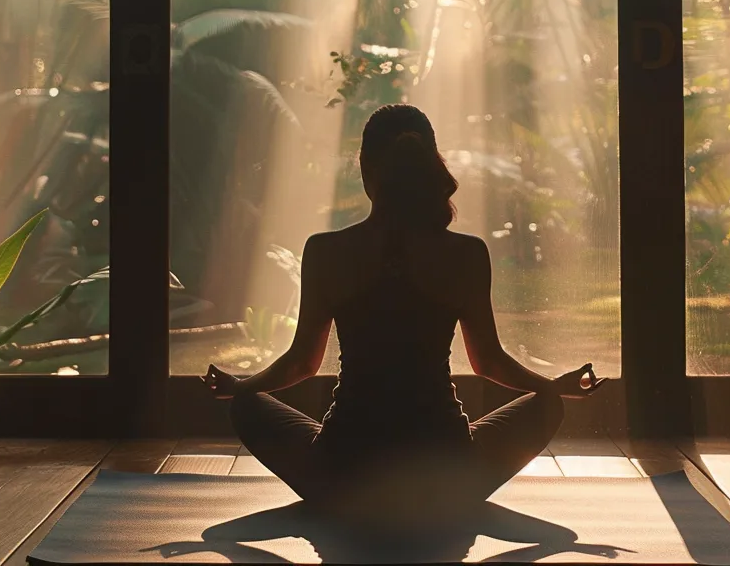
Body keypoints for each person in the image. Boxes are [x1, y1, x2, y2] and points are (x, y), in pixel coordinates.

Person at [201, 103, 600, 520]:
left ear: (365, 169)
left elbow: (302, 362)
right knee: (548, 404)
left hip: (341, 471)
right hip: (449, 470)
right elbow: (488, 362)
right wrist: (554, 387)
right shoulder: (465, 253)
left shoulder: (327, 250)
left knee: (246, 405)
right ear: (431, 165)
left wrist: (242, 387)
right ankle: (440, 492)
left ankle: (356, 494)